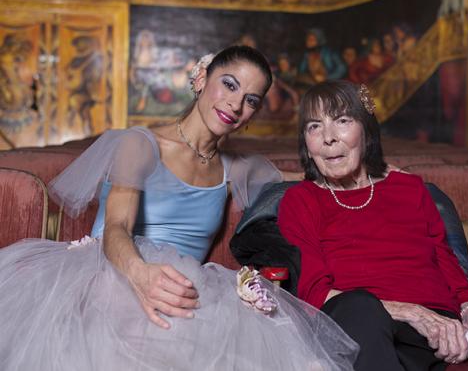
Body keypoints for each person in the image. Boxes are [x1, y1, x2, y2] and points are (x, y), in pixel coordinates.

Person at [0, 46, 357, 370]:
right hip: (115, 273)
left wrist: (365, 166)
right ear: (201, 80)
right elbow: (116, 227)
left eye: (250, 100)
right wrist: (140, 275)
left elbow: (316, 181)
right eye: (229, 85)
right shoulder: (140, 144)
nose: (235, 105)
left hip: (189, 289)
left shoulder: (237, 168)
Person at [278, 80, 468, 371]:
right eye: (314, 126)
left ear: (366, 130)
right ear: (306, 142)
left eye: (342, 121)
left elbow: (448, 267)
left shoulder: (411, 189)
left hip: (433, 331)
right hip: (354, 325)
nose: (328, 137)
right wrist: (411, 312)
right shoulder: (300, 200)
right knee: (360, 308)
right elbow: (314, 293)